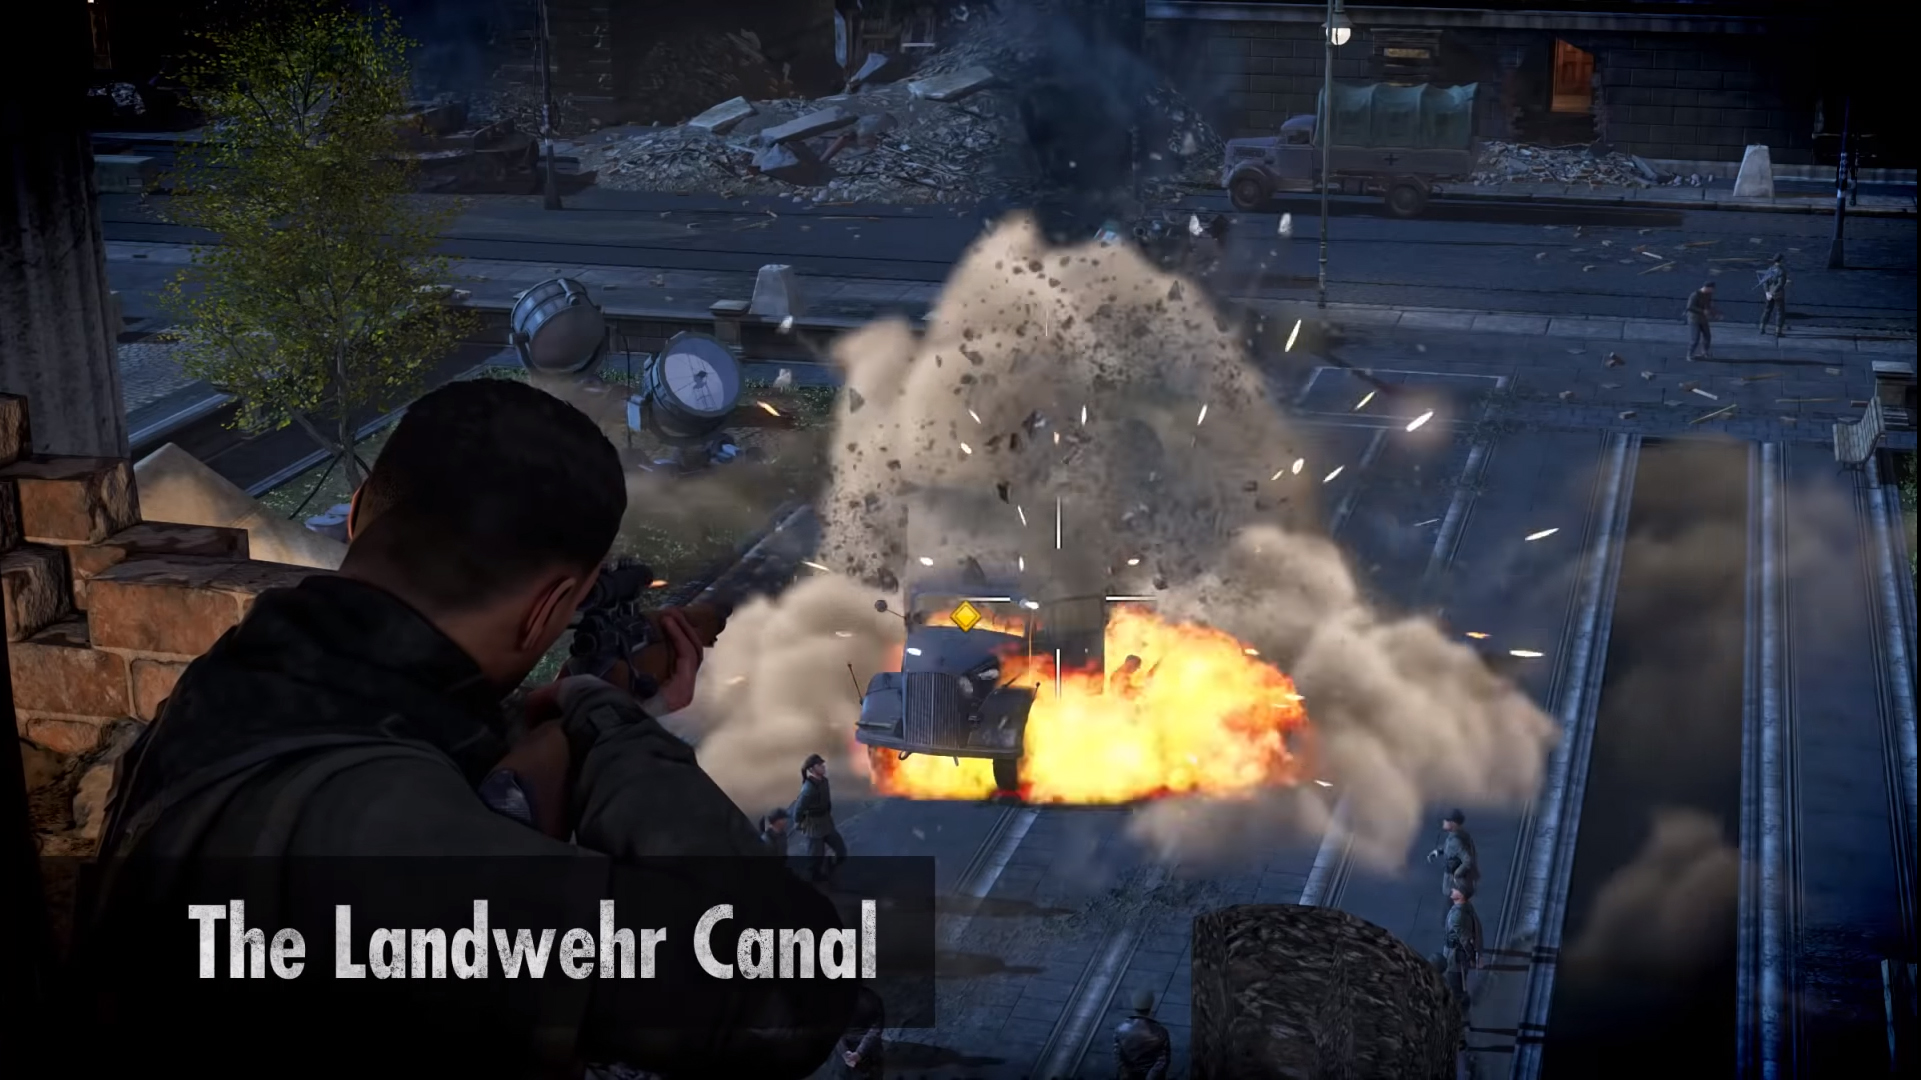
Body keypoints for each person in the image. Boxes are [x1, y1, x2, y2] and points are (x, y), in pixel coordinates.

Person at [73, 379, 856, 1078]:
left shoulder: (243, 681)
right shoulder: (374, 830)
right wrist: (609, 725)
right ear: (549, 608)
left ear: (358, 511)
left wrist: (548, 720)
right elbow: (788, 993)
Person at [796, 754, 847, 882]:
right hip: (814, 826)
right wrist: (799, 822)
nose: (823, 767)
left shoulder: (824, 781)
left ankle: (829, 871)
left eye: (822, 764)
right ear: (812, 769)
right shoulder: (808, 788)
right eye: (819, 765)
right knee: (815, 860)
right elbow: (799, 808)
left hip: (826, 823)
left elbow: (826, 802)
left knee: (841, 850)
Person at [1425, 808, 1480, 907]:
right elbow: (1450, 847)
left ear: (1453, 823)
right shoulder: (1457, 835)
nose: (1444, 822)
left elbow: (1468, 860)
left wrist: (1457, 874)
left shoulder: (1456, 841)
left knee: (1454, 909)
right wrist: (1438, 851)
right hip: (1456, 884)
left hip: (1455, 885)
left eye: (1446, 820)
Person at [1113, 990, 1172, 1080]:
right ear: (1150, 1006)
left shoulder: (1121, 1029)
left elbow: (1118, 1056)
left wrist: (1125, 1074)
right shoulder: (1160, 1032)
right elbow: (1162, 1061)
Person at [1443, 887, 1483, 1009]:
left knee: (1454, 982)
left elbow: (1465, 940)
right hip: (1459, 954)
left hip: (1455, 955)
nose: (1452, 890)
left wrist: (1472, 956)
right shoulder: (1466, 908)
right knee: (1459, 980)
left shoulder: (1457, 915)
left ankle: (1460, 1008)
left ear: (1461, 895)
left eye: (1455, 890)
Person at [837, 985, 886, 1079]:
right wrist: (859, 1053)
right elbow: (876, 1029)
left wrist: (845, 1053)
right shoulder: (872, 998)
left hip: (847, 1057)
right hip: (870, 1055)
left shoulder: (838, 1000)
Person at [1686, 281, 1719, 360]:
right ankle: (1689, 354)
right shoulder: (1695, 295)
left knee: (1707, 336)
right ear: (1708, 288)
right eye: (1712, 289)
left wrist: (1714, 313)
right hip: (1694, 319)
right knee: (1695, 338)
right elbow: (1690, 307)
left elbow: (1708, 305)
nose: (1713, 291)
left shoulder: (1708, 294)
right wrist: (1702, 311)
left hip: (1703, 319)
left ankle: (1705, 352)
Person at [1758, 254, 1788, 337]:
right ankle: (1778, 331)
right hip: (1778, 294)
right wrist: (1773, 292)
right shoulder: (1781, 271)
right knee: (1780, 312)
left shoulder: (1770, 269)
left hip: (1769, 293)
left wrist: (1767, 292)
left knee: (1767, 310)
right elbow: (1780, 284)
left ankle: (1762, 328)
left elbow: (1765, 282)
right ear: (1781, 260)